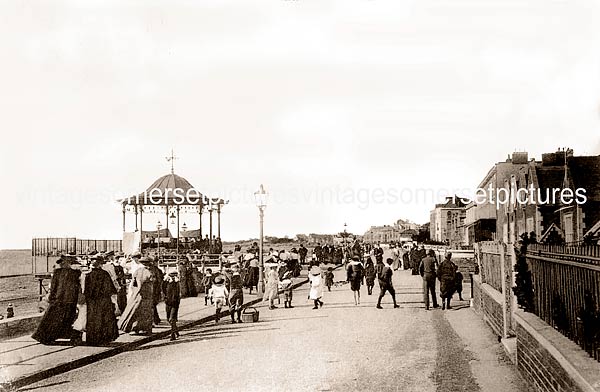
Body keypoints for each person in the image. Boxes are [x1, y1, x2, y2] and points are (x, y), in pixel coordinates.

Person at [32, 255, 81, 345]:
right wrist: (52, 297)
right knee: (53, 318)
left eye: (65, 262)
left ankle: (53, 336)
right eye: (62, 263)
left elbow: (77, 286)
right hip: (61, 299)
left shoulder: (74, 273)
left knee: (63, 318)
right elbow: (54, 286)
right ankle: (45, 337)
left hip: (67, 299)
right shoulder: (60, 272)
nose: (63, 264)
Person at [85, 255, 119, 346]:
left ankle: (92, 338)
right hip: (103, 300)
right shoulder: (104, 274)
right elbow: (110, 288)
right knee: (104, 318)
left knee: (93, 319)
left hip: (92, 301)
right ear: (100, 264)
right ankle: (104, 338)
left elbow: (86, 290)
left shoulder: (88, 275)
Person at [118, 256, 155, 335]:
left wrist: (135, 291)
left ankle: (133, 327)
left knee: (135, 310)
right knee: (145, 312)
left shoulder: (138, 271)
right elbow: (143, 283)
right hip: (145, 294)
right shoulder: (148, 272)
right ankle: (143, 328)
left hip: (136, 294)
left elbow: (134, 283)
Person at [162, 271, 181, 340]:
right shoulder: (167, 283)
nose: (172, 278)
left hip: (175, 303)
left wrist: (177, 282)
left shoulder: (177, 284)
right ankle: (176, 331)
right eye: (171, 276)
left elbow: (178, 291)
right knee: (168, 319)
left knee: (172, 318)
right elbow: (163, 288)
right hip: (168, 303)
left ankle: (172, 335)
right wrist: (164, 280)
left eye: (174, 276)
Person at [149, 259, 164, 325]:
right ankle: (156, 319)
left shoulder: (156, 270)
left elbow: (159, 281)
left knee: (153, 304)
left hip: (155, 289)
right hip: (153, 289)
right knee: (153, 304)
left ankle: (155, 319)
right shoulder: (155, 270)